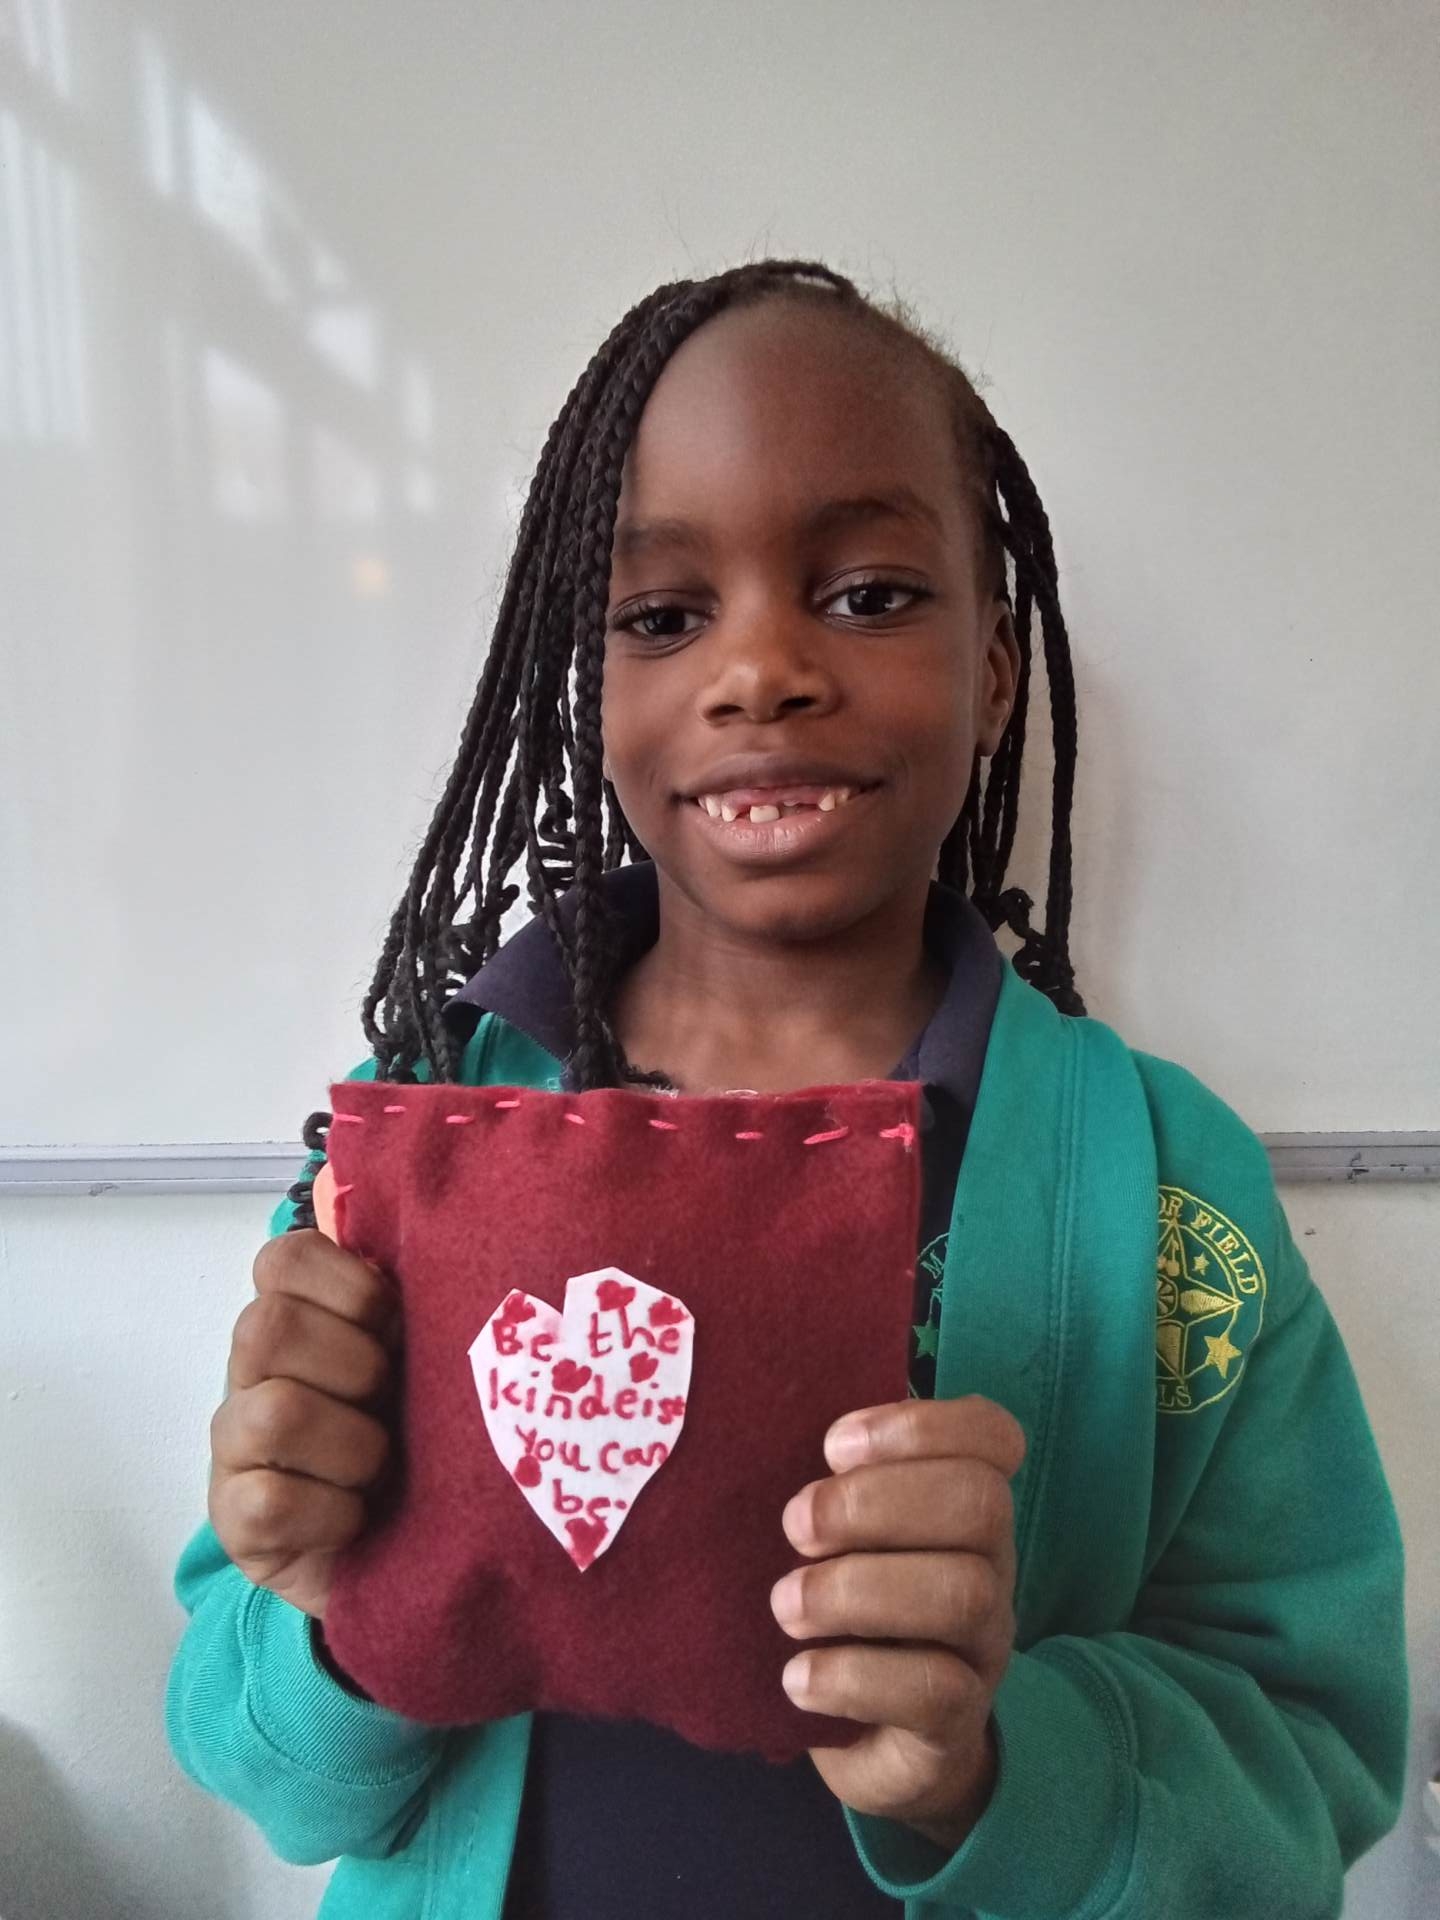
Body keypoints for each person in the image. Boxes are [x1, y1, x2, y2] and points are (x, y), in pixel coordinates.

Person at [165, 260, 1407, 1919]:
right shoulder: (414, 1140)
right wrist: (328, 1615)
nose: (759, 668)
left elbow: (1311, 1762)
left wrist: (993, 1761)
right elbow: (245, 1751)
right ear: (587, 683)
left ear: (997, 669)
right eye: (662, 617)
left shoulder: (1166, 1191)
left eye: (871, 594)